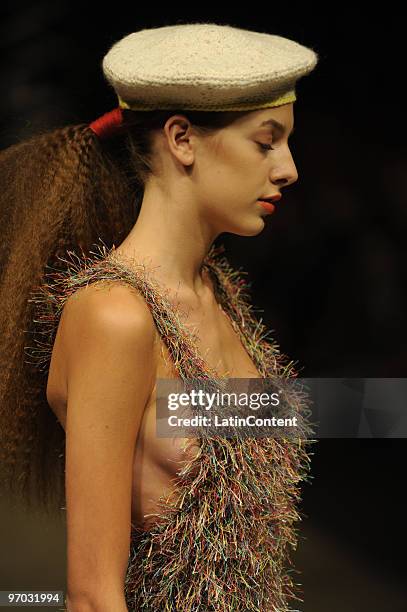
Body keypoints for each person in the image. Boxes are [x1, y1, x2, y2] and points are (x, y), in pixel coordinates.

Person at [0, 22, 319, 611]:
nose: (288, 168)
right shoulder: (114, 317)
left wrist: (381, 408)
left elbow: (206, 429)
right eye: (266, 141)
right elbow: (93, 597)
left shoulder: (218, 294)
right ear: (181, 139)